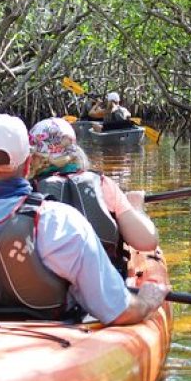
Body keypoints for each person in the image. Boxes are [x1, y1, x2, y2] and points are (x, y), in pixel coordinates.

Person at [0, 113, 168, 325]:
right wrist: (144, 302)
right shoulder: (64, 223)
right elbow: (116, 311)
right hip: (50, 346)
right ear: (26, 165)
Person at [28, 117, 158, 273]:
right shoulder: (103, 184)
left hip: (51, 286)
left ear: (33, 156)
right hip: (103, 280)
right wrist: (136, 208)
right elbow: (147, 241)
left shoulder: (29, 191)